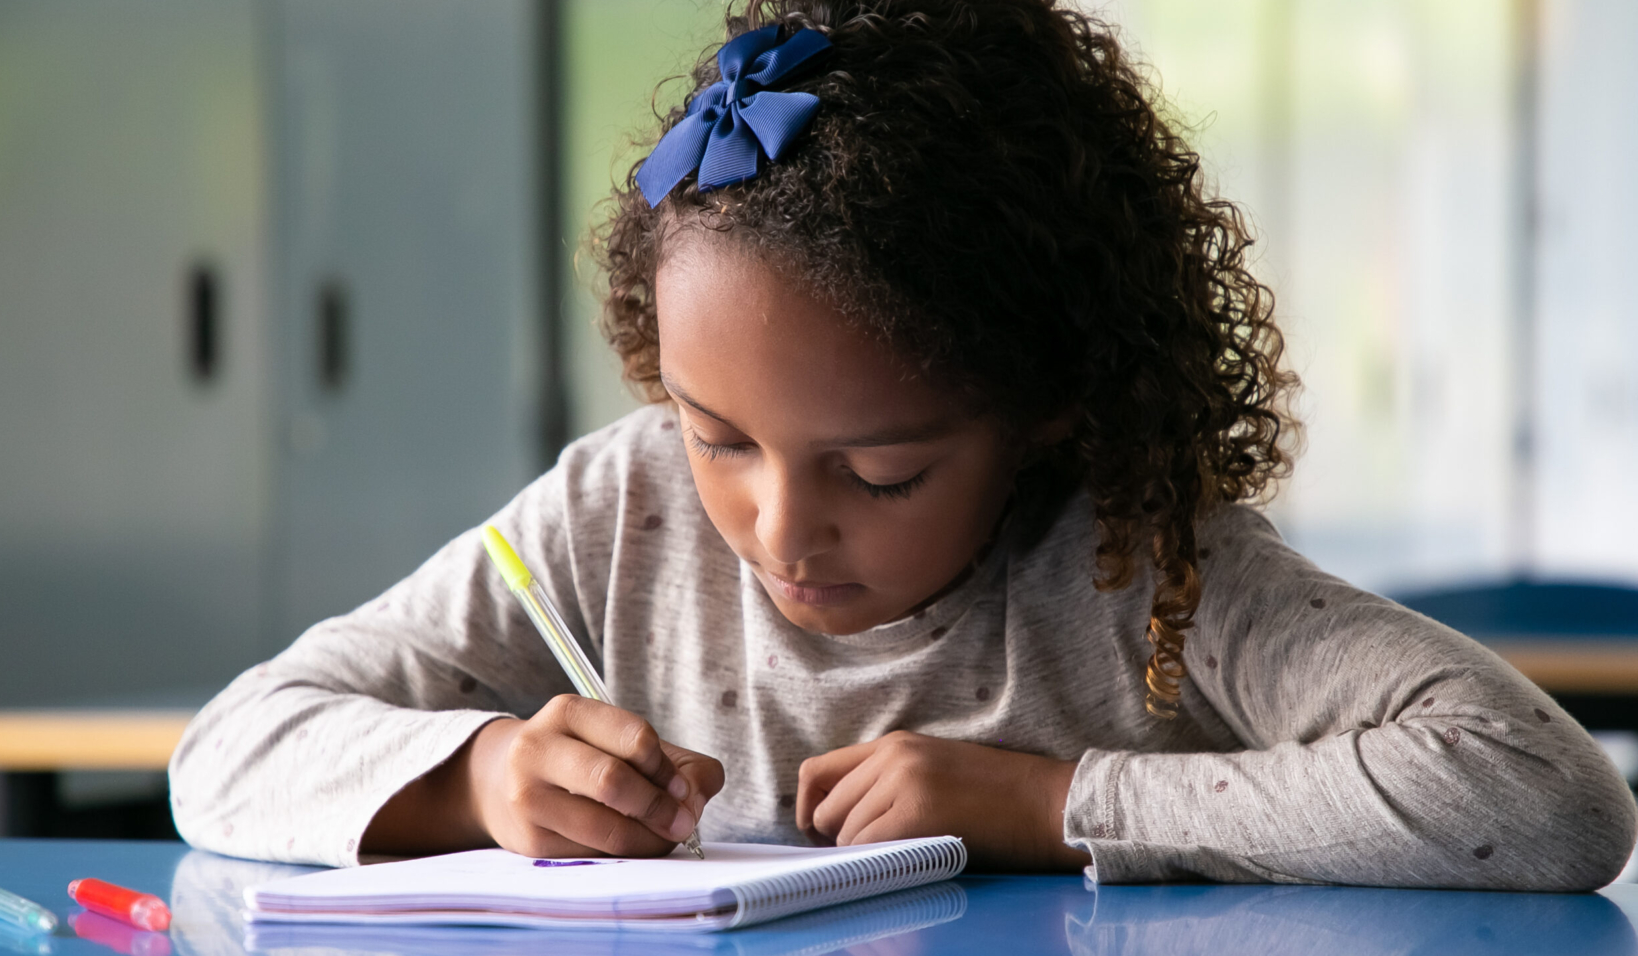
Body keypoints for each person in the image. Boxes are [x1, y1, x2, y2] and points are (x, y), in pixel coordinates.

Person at [169, 0, 1636, 888]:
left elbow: (1545, 799)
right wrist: (483, 777)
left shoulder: (1142, 572)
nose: (780, 530)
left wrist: (1054, 805)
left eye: (880, 474)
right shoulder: (617, 516)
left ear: (1046, 404)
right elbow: (228, 751)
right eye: (717, 435)